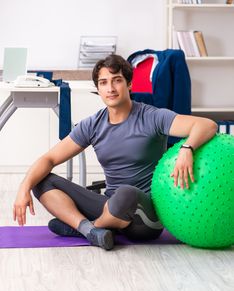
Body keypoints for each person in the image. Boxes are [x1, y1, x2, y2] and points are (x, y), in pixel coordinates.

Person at [13, 54, 217, 251]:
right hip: (109, 206)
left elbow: (206, 125)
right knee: (40, 180)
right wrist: (24, 187)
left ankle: (86, 228)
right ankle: (90, 229)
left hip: (146, 216)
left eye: (116, 80)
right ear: (98, 89)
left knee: (126, 193)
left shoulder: (152, 116)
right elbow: (49, 158)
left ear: (129, 84)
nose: (110, 88)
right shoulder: (92, 125)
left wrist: (186, 148)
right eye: (103, 83)